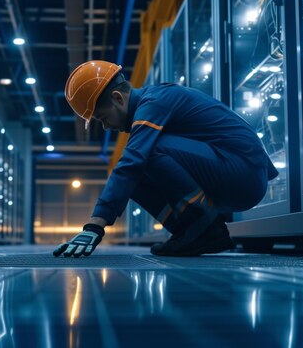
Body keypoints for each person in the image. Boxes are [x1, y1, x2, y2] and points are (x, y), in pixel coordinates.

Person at [53, 60, 278, 257]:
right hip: (236, 173)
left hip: (243, 175)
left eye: (103, 117)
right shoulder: (153, 102)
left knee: (143, 153)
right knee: (136, 174)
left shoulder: (154, 102)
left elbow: (132, 161)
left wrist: (95, 226)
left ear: (118, 98)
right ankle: (189, 233)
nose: (106, 127)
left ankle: (205, 229)